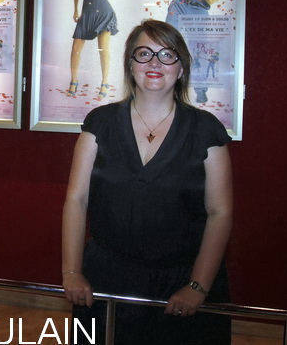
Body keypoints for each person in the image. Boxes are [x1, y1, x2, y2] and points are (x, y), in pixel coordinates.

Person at [62, 19, 233, 345]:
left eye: (167, 55)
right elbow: (76, 200)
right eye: (144, 54)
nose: (155, 63)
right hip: (107, 278)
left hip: (182, 282)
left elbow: (220, 213)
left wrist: (198, 286)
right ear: (130, 65)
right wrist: (72, 272)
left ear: (181, 68)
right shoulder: (100, 123)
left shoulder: (206, 129)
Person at [68, 0, 161, 101]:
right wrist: (75, 9)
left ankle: (104, 83)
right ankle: (74, 81)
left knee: (103, 49)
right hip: (87, 12)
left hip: (104, 12)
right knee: (76, 48)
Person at [165, 0, 237, 103]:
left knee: (199, 51)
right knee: (168, 43)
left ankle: (201, 89)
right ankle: (167, 85)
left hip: (199, 12)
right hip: (180, 4)